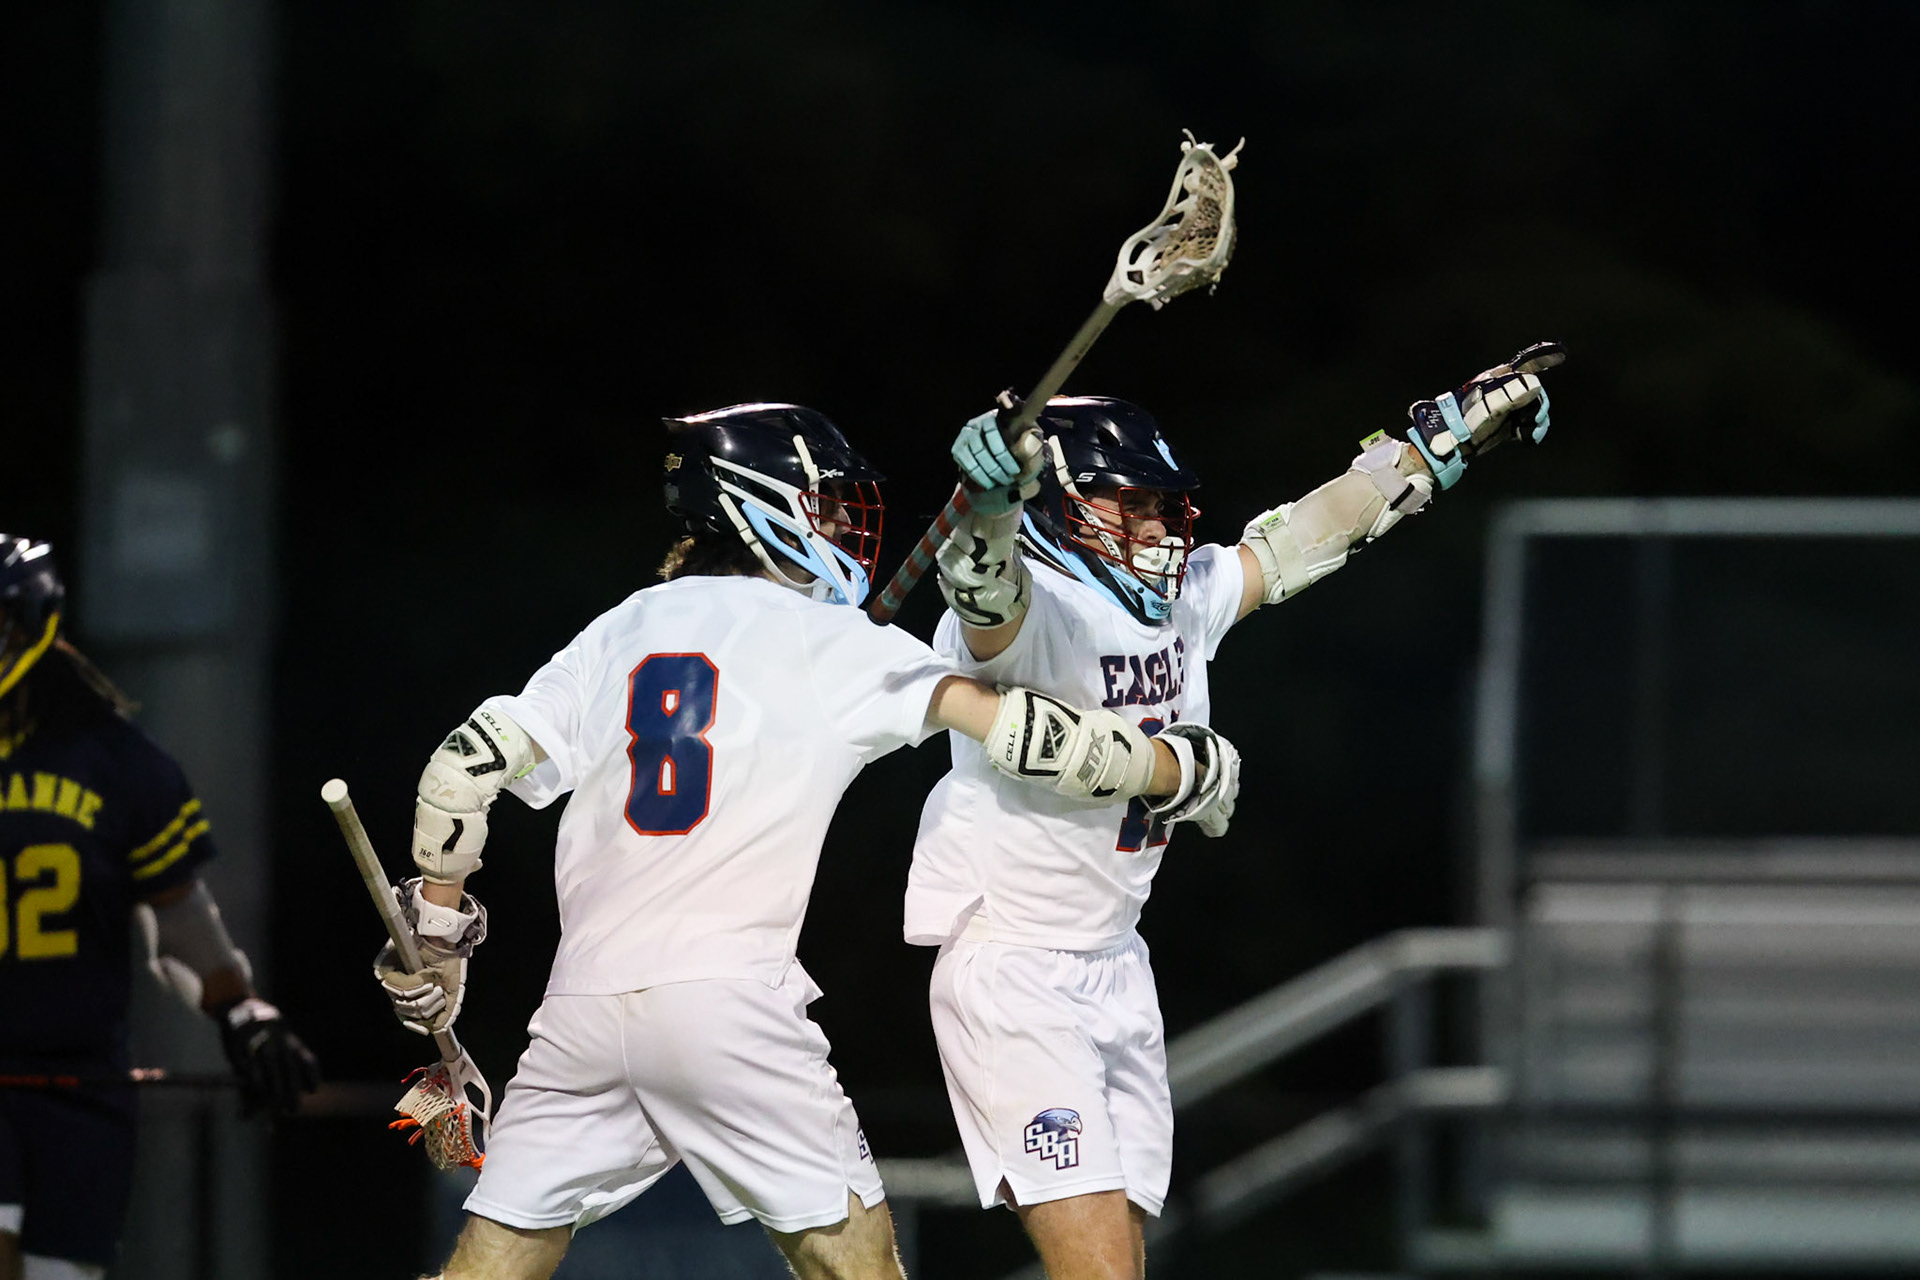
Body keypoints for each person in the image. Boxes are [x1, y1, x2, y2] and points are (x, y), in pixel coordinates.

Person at [372, 403, 1243, 1280]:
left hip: (579, 1013)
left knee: (489, 1266)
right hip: (729, 1006)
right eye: (825, 503)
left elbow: (458, 774)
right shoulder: (834, 639)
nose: (839, 524)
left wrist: (437, 938)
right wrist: (1175, 771)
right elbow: (1029, 735)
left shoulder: (621, 625)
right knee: (860, 1267)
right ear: (759, 503)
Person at [913, 345, 1564, 1278]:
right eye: (1121, 501)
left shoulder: (1178, 600)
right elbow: (985, 597)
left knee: (1121, 1265)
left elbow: (1298, 539)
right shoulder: (1034, 607)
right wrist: (987, 510)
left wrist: (1423, 455)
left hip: (1114, 961)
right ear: (1056, 504)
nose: (1149, 525)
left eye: (1155, 503)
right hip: (1013, 968)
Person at [0, 534, 320, 1280]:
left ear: (32, 623)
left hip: (80, 1084)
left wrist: (240, 1012)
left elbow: (175, 917)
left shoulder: (118, 762)